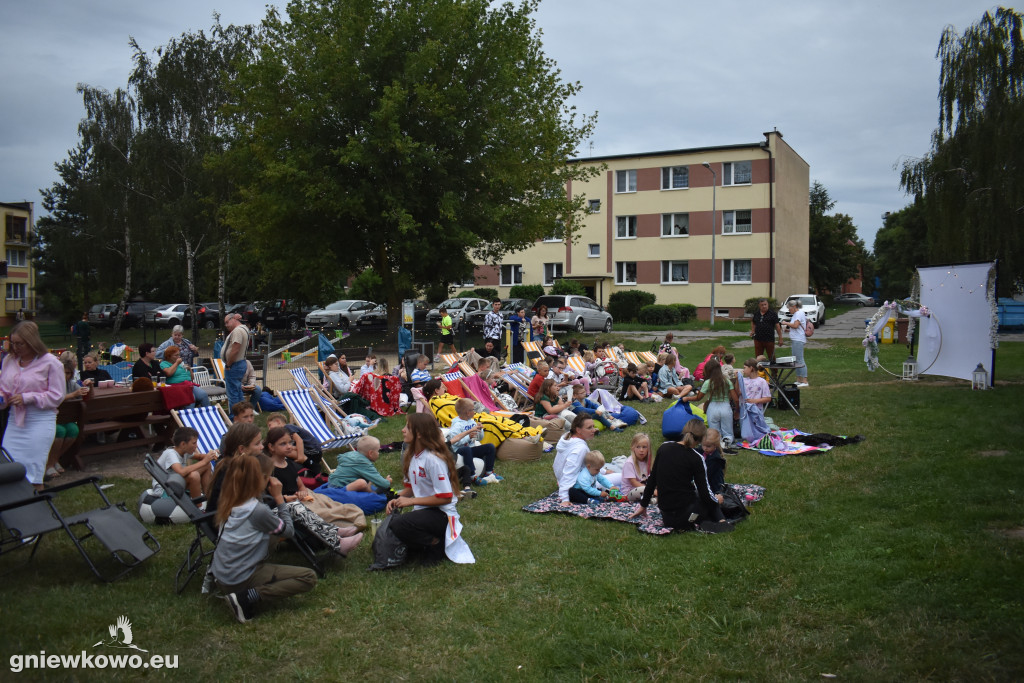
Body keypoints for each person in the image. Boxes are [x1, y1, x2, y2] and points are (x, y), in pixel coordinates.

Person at [211, 454, 318, 623]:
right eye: (269, 476)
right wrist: (279, 498)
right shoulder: (256, 510)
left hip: (223, 574)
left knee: (272, 534)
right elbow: (288, 531)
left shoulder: (232, 499)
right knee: (308, 577)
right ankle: (245, 597)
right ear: (261, 479)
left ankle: (243, 590)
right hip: (238, 578)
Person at [386, 413, 474, 565]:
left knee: (399, 524)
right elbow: (411, 487)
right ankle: (424, 546)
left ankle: (436, 543)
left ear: (419, 433)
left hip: (442, 514)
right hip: (425, 510)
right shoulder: (412, 456)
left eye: (407, 427)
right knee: (392, 527)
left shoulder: (433, 460)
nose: (403, 430)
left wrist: (411, 501)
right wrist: (395, 499)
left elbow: (445, 497)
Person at [629, 418, 731, 532]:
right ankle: (722, 521)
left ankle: (713, 521)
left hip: (666, 517)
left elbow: (652, 479)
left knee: (698, 495)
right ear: (701, 439)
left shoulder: (664, 447)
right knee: (708, 497)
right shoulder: (697, 458)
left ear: (684, 431)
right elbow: (704, 492)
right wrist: (717, 500)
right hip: (687, 516)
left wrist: (643, 505)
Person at [0, 322, 65, 489]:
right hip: (15, 422)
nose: (16, 347)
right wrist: (2, 398)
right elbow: (4, 389)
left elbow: (57, 396)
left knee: (33, 469)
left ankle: (36, 505)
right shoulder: (9, 361)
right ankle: (12, 508)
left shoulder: (51, 363)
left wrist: (29, 398)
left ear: (31, 342)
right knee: (8, 466)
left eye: (20, 343)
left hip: (39, 421)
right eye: (13, 343)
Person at [45, 358, 89, 480]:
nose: (65, 375)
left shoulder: (71, 384)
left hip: (66, 420)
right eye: (63, 372)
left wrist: (87, 388)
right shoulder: (50, 384)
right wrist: (72, 395)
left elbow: (84, 395)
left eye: (68, 373)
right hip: (51, 420)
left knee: (73, 430)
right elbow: (52, 398)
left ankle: (54, 460)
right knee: (60, 431)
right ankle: (49, 465)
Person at [151, 426, 218, 500]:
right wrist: (204, 461)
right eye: (194, 443)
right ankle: (199, 506)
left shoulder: (184, 451)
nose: (196, 446)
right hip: (165, 490)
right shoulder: (171, 454)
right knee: (194, 475)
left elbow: (199, 456)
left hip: (174, 483)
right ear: (183, 444)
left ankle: (209, 498)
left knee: (206, 465)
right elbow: (181, 472)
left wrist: (212, 455)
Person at [683, 359, 738, 448]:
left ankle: (717, 443)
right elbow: (736, 399)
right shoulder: (727, 381)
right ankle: (727, 441)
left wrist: (687, 398)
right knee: (728, 432)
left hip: (712, 408)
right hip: (725, 407)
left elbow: (698, 398)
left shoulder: (708, 382)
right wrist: (737, 410)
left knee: (714, 431)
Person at [449, 398, 502, 485]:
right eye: (473, 409)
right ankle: (472, 476)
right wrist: (468, 437)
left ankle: (489, 472)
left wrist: (480, 430)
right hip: (459, 451)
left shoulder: (472, 422)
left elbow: (479, 439)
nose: (475, 411)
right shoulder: (457, 425)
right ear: (467, 412)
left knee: (490, 447)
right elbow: (454, 442)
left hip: (471, 448)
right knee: (467, 449)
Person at [553, 414, 597, 505]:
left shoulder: (568, 438)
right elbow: (569, 471)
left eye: (593, 426)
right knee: (621, 476)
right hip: (579, 484)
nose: (594, 430)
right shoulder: (580, 449)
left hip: (569, 479)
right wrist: (565, 498)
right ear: (578, 430)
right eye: (589, 428)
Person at [328, 435, 392, 492]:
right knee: (362, 483)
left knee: (366, 480)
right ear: (371, 453)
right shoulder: (364, 463)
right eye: (378, 451)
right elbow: (384, 484)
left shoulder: (350, 454)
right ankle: (340, 493)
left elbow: (339, 457)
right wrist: (387, 481)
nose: (378, 453)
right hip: (339, 488)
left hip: (331, 483)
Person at [222, 312, 250, 408]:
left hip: (234, 365)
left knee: (233, 394)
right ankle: (243, 415)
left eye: (227, 322)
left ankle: (234, 417)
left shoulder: (237, 331)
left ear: (233, 319)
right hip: (240, 363)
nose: (226, 325)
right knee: (238, 392)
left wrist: (228, 364)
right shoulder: (244, 329)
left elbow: (235, 349)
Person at [782, 298, 810, 387]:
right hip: (795, 339)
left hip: (798, 339)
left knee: (800, 360)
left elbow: (795, 325)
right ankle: (799, 379)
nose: (789, 310)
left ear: (794, 307)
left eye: (789, 308)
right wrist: (787, 330)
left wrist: (785, 323)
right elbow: (794, 327)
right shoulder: (796, 314)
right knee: (796, 360)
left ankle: (805, 380)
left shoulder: (798, 313)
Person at [620, 433, 652, 503]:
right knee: (644, 490)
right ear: (633, 448)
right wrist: (649, 490)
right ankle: (651, 498)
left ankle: (653, 499)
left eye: (644, 447)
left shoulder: (649, 461)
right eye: (638, 447)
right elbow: (633, 482)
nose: (641, 450)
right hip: (630, 492)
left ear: (648, 449)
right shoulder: (629, 463)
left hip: (644, 487)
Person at [749, 298, 784, 362]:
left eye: (765, 304)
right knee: (758, 357)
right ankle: (760, 371)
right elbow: (753, 322)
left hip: (769, 339)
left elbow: (777, 326)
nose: (764, 306)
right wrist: (753, 331)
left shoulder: (773, 314)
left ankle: (774, 371)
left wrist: (780, 338)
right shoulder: (756, 314)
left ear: (768, 305)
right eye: (762, 305)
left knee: (771, 357)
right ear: (759, 306)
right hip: (758, 339)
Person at [701, 428, 727, 497]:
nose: (705, 448)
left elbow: (706, 474)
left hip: (714, 487)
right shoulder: (701, 451)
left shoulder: (716, 459)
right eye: (703, 445)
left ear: (715, 445)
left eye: (708, 446)